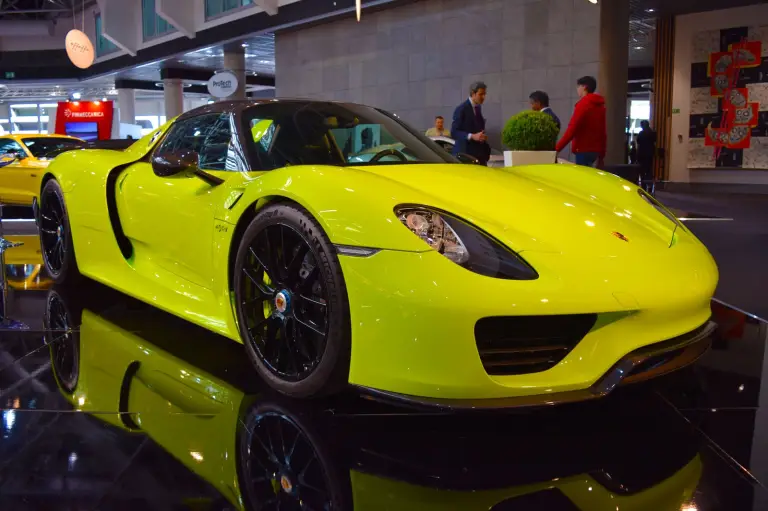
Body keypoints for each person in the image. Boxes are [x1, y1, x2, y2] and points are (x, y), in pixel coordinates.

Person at [556, 76, 606, 168]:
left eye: (578, 86)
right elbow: (603, 131)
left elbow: (572, 128)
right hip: (595, 151)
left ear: (584, 87)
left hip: (582, 149)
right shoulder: (600, 106)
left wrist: (557, 148)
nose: (577, 89)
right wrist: (602, 155)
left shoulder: (583, 104)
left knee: (582, 177)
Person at [451, 82, 491, 165]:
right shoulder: (461, 109)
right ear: (473, 94)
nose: (483, 97)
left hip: (479, 156)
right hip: (465, 157)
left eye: (484, 94)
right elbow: (454, 132)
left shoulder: (478, 108)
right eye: (481, 94)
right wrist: (472, 136)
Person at [636, 120, 657, 190]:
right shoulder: (652, 133)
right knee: (649, 171)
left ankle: (643, 187)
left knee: (642, 172)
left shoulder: (641, 133)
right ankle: (650, 186)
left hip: (642, 155)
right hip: (649, 155)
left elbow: (638, 141)